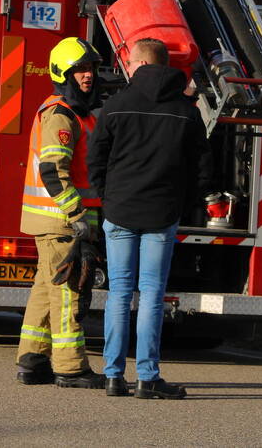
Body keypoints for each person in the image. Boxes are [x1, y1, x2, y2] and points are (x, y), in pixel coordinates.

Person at [87, 38, 212, 399]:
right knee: (153, 295)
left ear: (139, 64)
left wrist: (107, 199)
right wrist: (182, 204)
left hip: (120, 212)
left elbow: (96, 159)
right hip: (162, 214)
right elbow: (203, 167)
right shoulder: (186, 111)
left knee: (119, 293)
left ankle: (112, 376)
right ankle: (147, 377)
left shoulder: (116, 106)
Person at [15, 37, 105, 389]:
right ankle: (70, 368)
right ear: (62, 73)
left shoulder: (76, 113)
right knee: (70, 293)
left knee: (44, 291)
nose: (87, 76)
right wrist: (78, 216)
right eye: (79, 69)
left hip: (58, 221)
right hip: (63, 222)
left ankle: (32, 360)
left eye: (91, 69)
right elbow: (53, 171)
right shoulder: (61, 115)